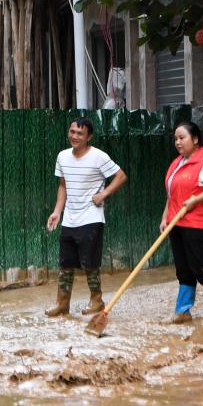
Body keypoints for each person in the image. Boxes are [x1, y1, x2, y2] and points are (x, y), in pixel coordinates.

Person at [45, 117, 128, 317]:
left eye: (80, 133)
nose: (74, 136)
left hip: (91, 217)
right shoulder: (63, 156)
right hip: (69, 218)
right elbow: (63, 186)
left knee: (90, 263)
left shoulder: (98, 156)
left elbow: (121, 176)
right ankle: (62, 304)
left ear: (88, 136)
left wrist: (104, 194)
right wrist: (57, 211)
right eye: (72, 131)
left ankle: (97, 300)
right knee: (65, 264)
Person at [162, 121, 203, 324]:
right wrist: (165, 217)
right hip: (176, 223)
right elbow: (171, 195)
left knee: (200, 268)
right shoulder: (176, 163)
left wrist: (195, 200)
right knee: (183, 269)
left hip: (198, 225)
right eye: (175, 139)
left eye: (182, 138)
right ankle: (182, 311)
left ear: (195, 139)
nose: (178, 142)